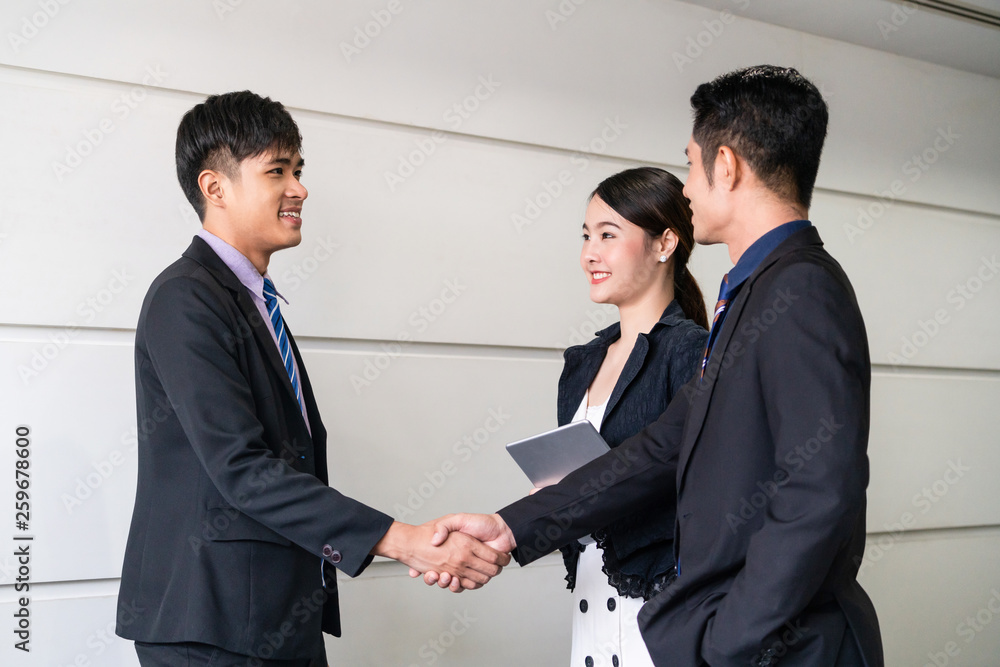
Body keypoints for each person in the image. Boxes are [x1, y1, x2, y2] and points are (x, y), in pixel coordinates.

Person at [424, 65, 884, 666]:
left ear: (727, 166)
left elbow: (820, 490)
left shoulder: (799, 291)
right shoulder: (754, 296)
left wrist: (728, 637)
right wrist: (513, 527)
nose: (687, 188)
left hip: (786, 648)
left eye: (692, 164)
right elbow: (661, 448)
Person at [115, 90, 509, 667]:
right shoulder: (186, 298)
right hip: (212, 625)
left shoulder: (254, 302)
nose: (299, 188)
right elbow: (243, 470)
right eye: (277, 170)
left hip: (269, 617)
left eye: (298, 170)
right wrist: (403, 541)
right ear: (214, 188)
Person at [559, 168, 707, 667]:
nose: (589, 255)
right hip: (591, 602)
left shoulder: (694, 353)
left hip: (661, 611)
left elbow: (703, 494)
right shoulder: (582, 360)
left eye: (607, 235)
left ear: (665, 242)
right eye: (585, 236)